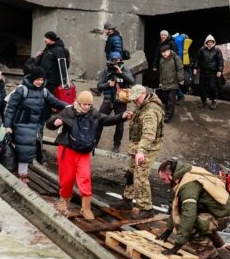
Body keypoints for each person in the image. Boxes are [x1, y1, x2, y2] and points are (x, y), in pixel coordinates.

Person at [48, 90, 131, 220]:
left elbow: (107, 119)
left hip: (84, 151)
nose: (86, 107)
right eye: (84, 104)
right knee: (67, 179)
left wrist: (122, 116)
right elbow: (50, 124)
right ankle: (63, 202)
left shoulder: (93, 113)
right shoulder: (68, 112)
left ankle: (85, 208)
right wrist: (54, 123)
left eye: (89, 104)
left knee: (85, 177)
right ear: (78, 103)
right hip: (68, 149)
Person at [156, 158, 230, 255]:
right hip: (218, 210)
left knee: (183, 221)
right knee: (185, 213)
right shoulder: (186, 172)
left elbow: (188, 216)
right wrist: (167, 231)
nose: (164, 182)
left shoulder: (188, 186)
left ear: (170, 175)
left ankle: (207, 250)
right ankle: (216, 241)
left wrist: (177, 246)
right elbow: (177, 206)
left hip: (222, 216)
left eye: (164, 179)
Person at [4, 67, 67, 186]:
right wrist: (7, 125)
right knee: (24, 149)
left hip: (36, 124)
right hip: (22, 123)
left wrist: (69, 106)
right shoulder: (22, 90)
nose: (40, 82)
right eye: (38, 79)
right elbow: (11, 108)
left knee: (30, 149)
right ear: (32, 78)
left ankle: (20, 172)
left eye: (42, 80)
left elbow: (55, 102)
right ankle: (22, 175)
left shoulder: (44, 91)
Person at [122, 85, 164, 215]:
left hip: (147, 148)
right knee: (130, 172)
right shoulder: (143, 105)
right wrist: (133, 115)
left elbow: (148, 135)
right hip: (138, 146)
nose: (135, 102)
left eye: (136, 99)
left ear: (144, 94)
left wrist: (140, 151)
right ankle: (127, 200)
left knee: (140, 176)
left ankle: (146, 207)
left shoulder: (150, 112)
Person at [95, 51, 134, 152]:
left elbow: (132, 81)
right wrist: (108, 84)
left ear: (120, 60)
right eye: (113, 60)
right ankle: (94, 142)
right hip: (108, 99)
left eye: (116, 61)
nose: (115, 63)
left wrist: (121, 73)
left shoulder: (125, 69)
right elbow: (99, 87)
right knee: (99, 120)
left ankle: (117, 145)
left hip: (121, 100)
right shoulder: (106, 71)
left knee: (120, 123)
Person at [193, 34, 224, 109]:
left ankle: (214, 101)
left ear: (213, 42)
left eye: (211, 42)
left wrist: (220, 70)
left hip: (212, 72)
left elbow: (220, 61)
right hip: (203, 72)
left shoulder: (217, 50)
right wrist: (195, 68)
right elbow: (197, 59)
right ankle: (203, 101)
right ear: (206, 42)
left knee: (212, 87)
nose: (210, 43)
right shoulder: (202, 49)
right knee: (202, 87)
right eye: (208, 42)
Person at [156, 42, 184, 123]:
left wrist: (180, 79)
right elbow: (161, 72)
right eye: (162, 52)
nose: (163, 54)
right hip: (164, 84)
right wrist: (160, 82)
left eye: (165, 52)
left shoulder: (175, 58)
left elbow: (180, 68)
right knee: (165, 98)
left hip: (173, 83)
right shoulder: (161, 60)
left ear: (169, 51)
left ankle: (169, 115)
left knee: (171, 100)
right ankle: (168, 110)